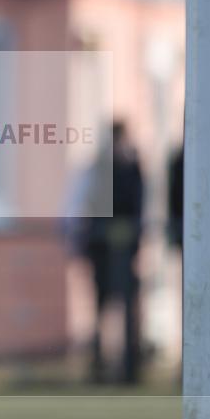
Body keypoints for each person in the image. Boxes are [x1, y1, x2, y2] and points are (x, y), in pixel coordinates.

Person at [76, 121, 143, 384]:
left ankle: (129, 369)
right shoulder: (97, 168)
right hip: (101, 250)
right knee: (99, 307)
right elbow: (88, 203)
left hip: (124, 253)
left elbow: (137, 206)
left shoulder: (133, 168)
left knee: (127, 307)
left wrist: (131, 236)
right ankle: (98, 366)